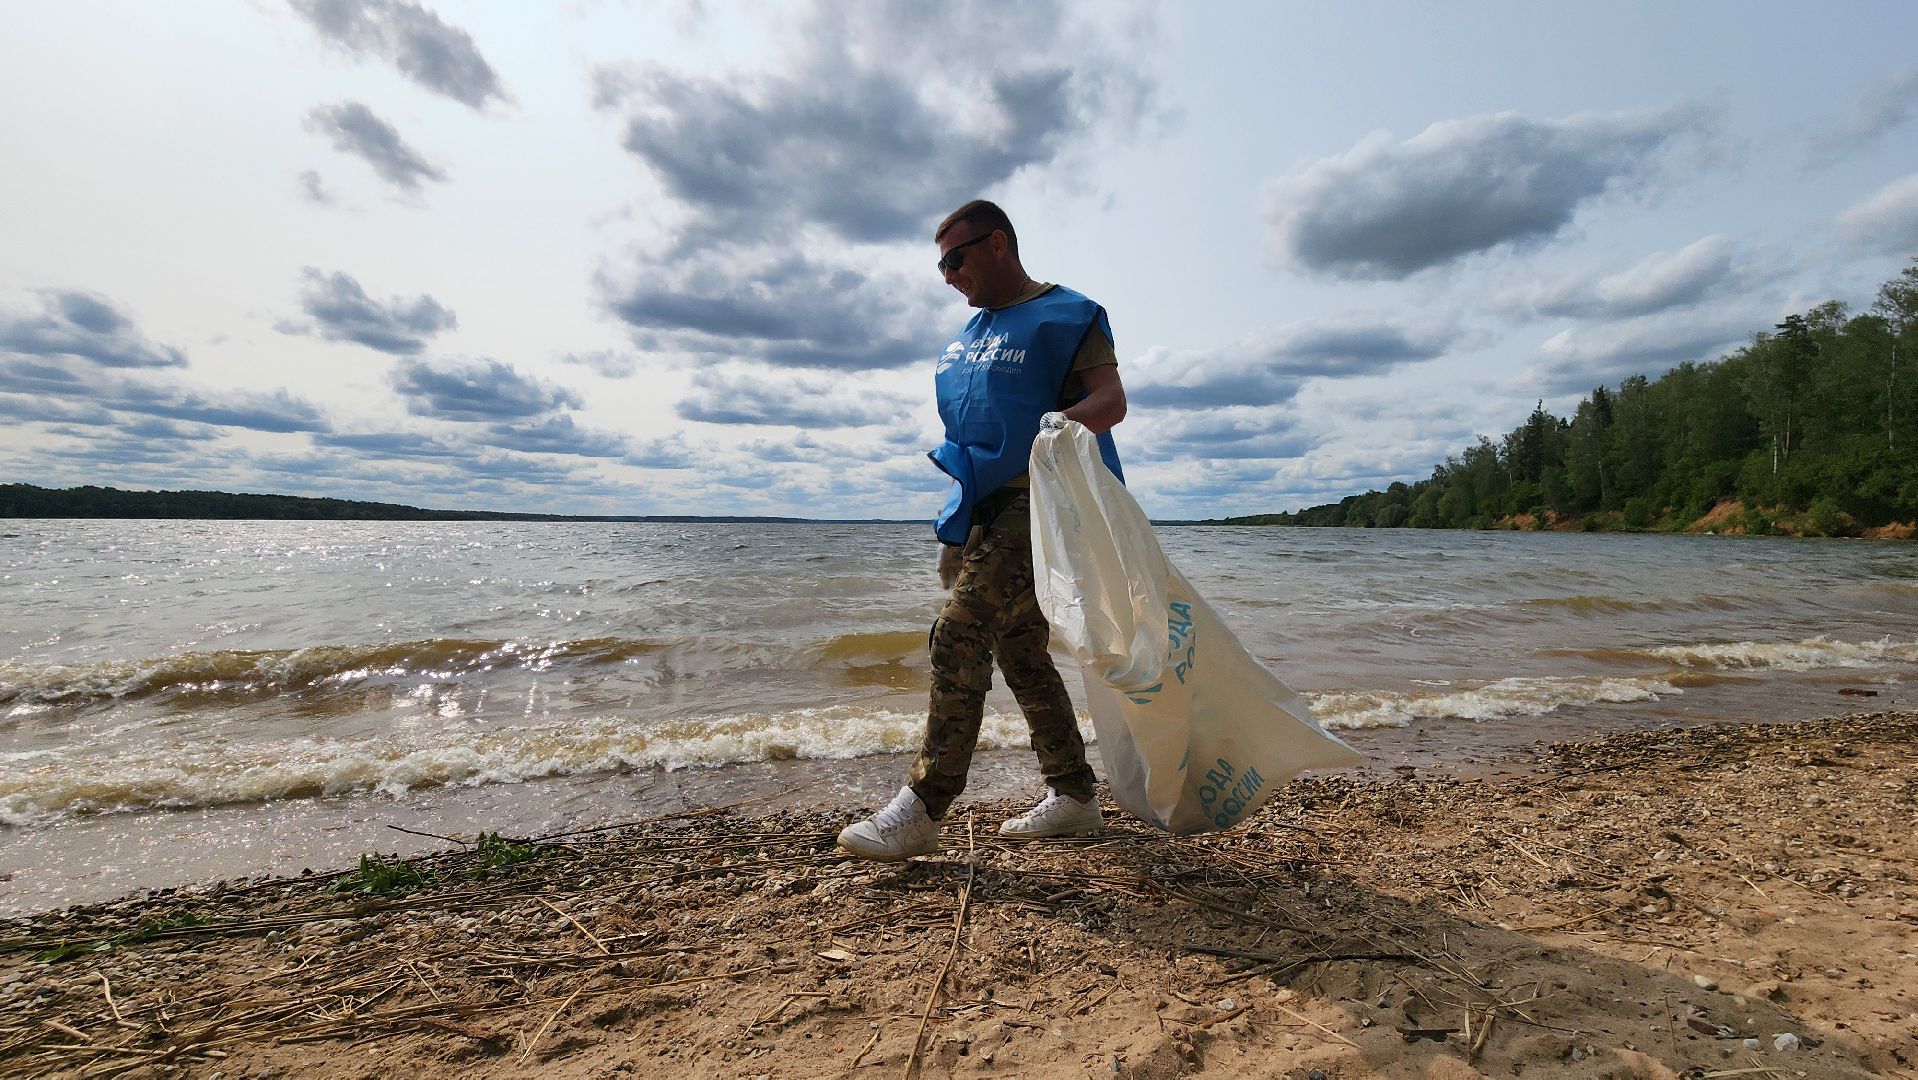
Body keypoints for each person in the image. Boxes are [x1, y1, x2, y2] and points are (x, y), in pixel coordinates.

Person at [837, 200, 1128, 861]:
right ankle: (1075, 796)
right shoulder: (966, 339)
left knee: (960, 630)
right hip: (989, 511)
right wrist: (958, 528)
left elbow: (1110, 401)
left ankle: (924, 804)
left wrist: (1052, 433)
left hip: (1048, 499)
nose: (946, 274)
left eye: (954, 257)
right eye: (939, 264)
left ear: (997, 244)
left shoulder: (1069, 314)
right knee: (1020, 649)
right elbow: (968, 442)